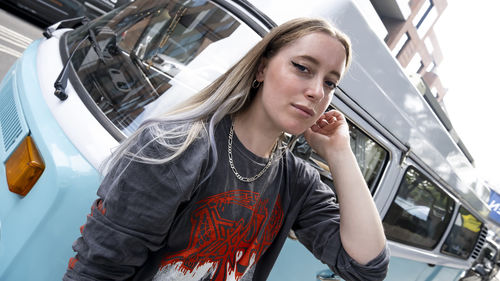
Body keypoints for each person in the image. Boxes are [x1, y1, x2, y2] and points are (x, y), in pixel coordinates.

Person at [63, 17, 390, 281]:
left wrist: (339, 153)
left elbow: (367, 268)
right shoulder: (175, 151)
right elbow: (98, 270)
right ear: (262, 68)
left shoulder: (296, 181)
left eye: (331, 82)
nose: (317, 91)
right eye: (303, 68)